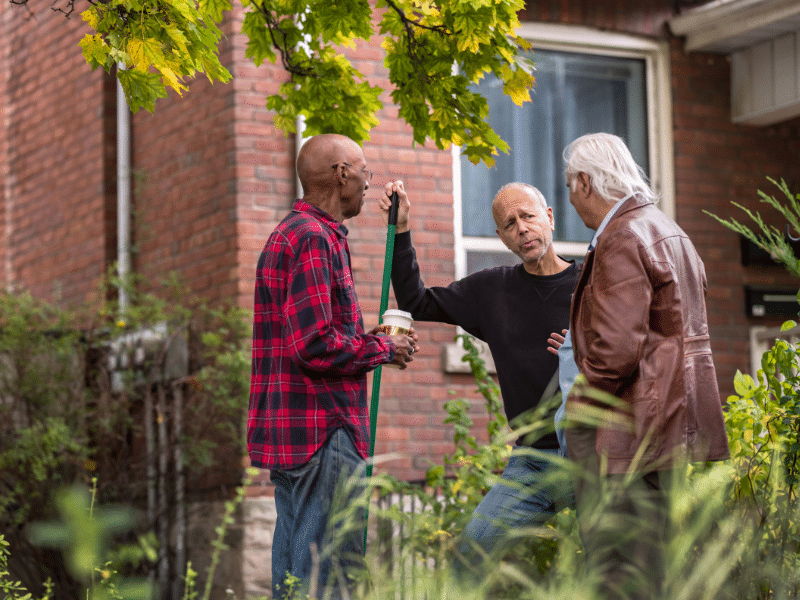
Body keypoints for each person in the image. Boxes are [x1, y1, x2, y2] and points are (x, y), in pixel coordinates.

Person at [379, 180, 580, 580]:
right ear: (501, 237)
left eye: (528, 216)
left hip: (591, 454)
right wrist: (401, 230)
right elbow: (417, 301)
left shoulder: (591, 285)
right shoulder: (492, 290)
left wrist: (585, 353)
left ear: (549, 219)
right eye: (509, 224)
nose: (521, 228)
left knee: (611, 567)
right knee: (469, 558)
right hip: (533, 462)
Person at [247, 134, 419, 600]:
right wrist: (382, 350)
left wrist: (370, 341)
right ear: (341, 172)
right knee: (330, 574)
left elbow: (310, 338)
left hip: (298, 432)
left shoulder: (296, 234)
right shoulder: (312, 238)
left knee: (295, 572)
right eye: (364, 169)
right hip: (323, 430)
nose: (369, 181)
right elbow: (316, 345)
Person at [562, 132, 730, 599]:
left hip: (631, 438)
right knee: (658, 572)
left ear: (585, 183)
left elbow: (615, 350)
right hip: (673, 431)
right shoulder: (669, 229)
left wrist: (576, 408)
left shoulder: (620, 237)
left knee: (621, 574)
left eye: (571, 187)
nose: (571, 199)